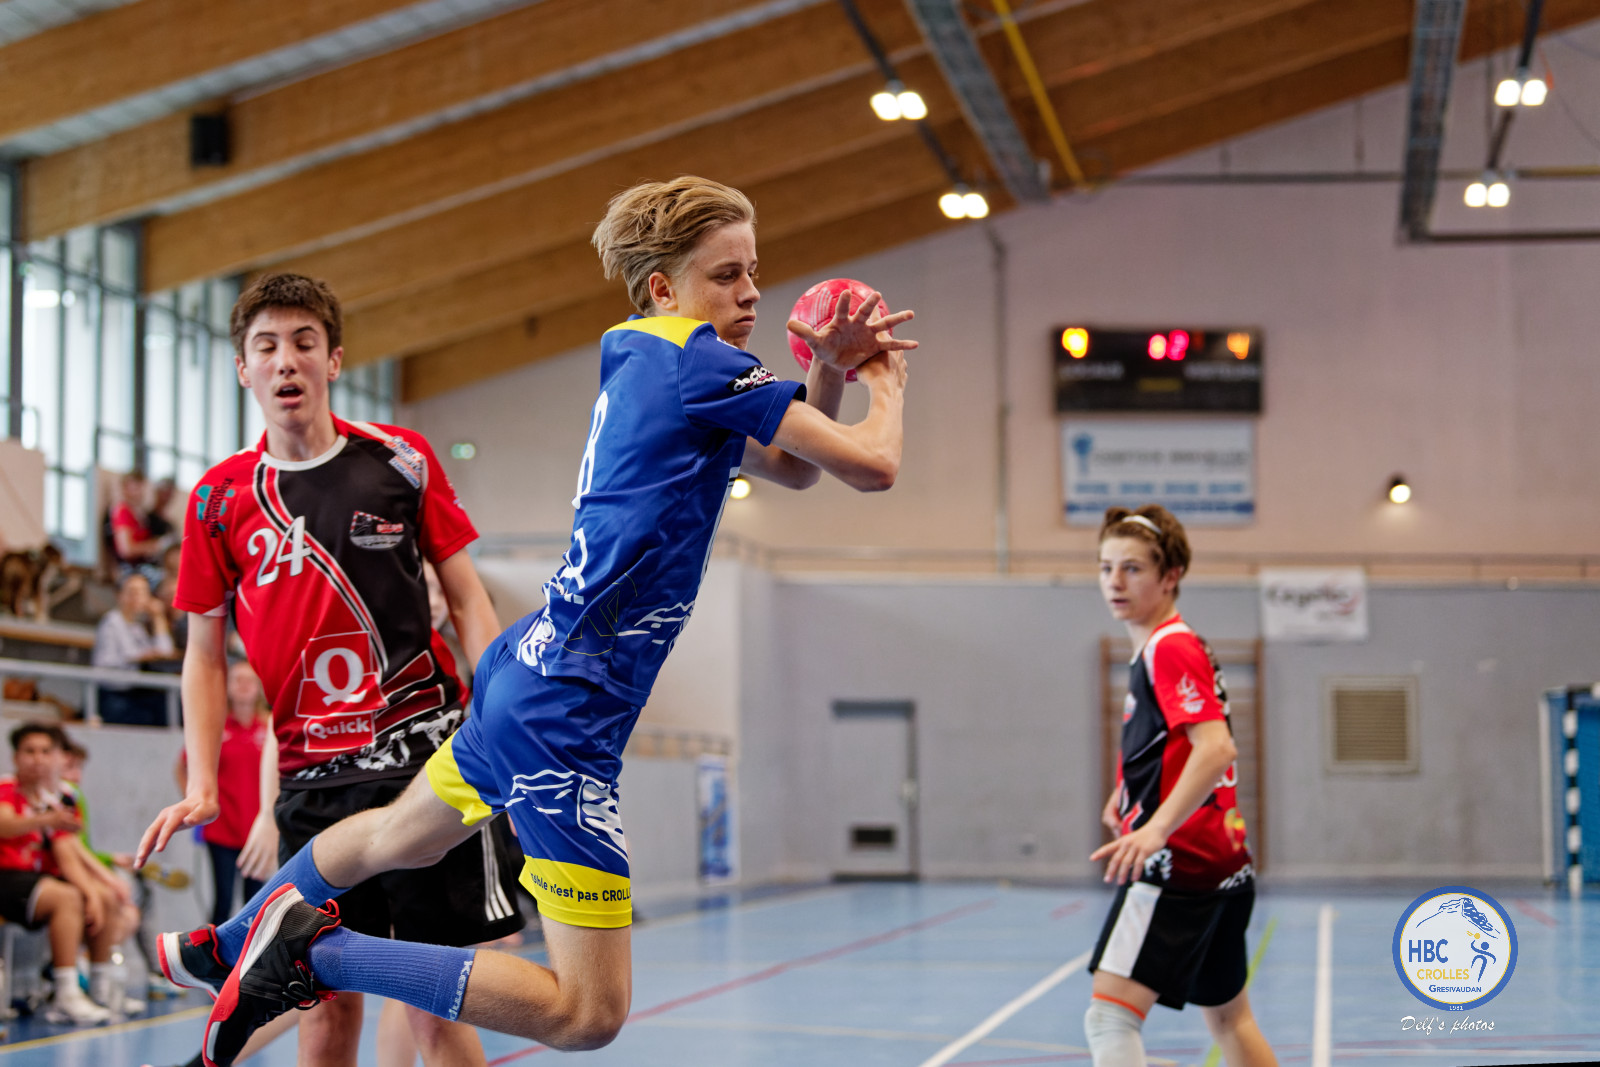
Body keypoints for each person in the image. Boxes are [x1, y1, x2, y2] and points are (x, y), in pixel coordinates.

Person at [137, 175, 915, 1067]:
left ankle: (229, 941)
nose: (750, 294)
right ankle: (316, 952)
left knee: (392, 835)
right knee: (588, 1012)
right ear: (664, 287)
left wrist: (824, 370)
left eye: (754, 273)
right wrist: (882, 376)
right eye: (727, 275)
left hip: (528, 672)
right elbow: (873, 465)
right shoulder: (699, 362)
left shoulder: (643, 356)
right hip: (568, 713)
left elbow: (797, 463)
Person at [138, 272, 526, 1067]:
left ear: (334, 359)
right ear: (243, 368)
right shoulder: (218, 499)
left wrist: (502, 717)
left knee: (432, 1003)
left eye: (304, 342)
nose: (286, 360)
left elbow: (467, 596)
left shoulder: (400, 458)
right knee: (321, 1004)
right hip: (314, 785)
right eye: (266, 346)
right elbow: (203, 652)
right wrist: (203, 782)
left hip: (426, 765)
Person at [1084, 506, 1275, 1067]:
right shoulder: (1164, 645)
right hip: (1224, 864)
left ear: (1170, 576)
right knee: (1232, 1021)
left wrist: (1156, 829)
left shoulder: (1169, 646)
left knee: (1109, 1019)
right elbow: (1175, 745)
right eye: (1106, 568)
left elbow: (1216, 747)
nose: (1115, 582)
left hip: (1179, 866)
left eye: (1133, 568)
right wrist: (1129, 792)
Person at [0, 723, 117, 1024]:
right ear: (16, 757)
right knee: (66, 898)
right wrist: (44, 820)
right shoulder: (7, 789)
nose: (37, 759)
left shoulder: (58, 799)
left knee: (104, 896)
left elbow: (68, 854)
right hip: (7, 877)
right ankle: (65, 993)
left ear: (56, 757)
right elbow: (5, 825)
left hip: (40, 881)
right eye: (29, 751)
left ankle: (100, 988)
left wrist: (94, 891)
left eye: (44, 751)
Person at [175, 661, 268, 926]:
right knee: (223, 900)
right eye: (237, 680)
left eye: (249, 680)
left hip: (257, 831)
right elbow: (182, 766)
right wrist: (194, 800)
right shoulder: (215, 726)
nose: (244, 686)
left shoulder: (268, 728)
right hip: (222, 828)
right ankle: (214, 950)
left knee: (256, 903)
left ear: (259, 687)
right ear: (227, 687)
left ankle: (253, 951)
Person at [93, 572, 178, 725]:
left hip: (134, 692)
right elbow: (104, 663)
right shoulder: (111, 622)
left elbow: (165, 651)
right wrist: (138, 657)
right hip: (113, 694)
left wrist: (158, 617)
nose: (138, 598)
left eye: (143, 593)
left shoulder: (137, 627)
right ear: (119, 595)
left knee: (170, 707)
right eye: (132, 592)